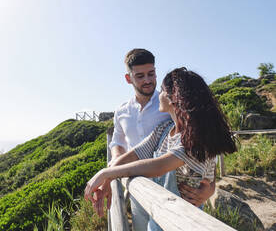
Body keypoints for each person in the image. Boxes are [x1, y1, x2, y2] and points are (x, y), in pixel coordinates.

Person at [85, 67, 237, 230]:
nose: (159, 95)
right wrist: (108, 179)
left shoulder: (195, 140)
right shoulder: (164, 128)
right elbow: (135, 154)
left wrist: (106, 173)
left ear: (172, 98)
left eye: (162, 91)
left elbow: (160, 166)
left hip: (184, 221)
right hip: (158, 214)